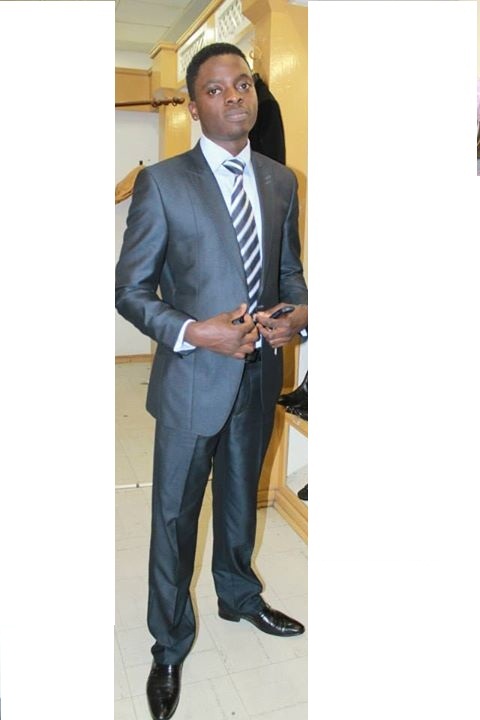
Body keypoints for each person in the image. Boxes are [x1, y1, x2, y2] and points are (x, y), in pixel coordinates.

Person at [115, 42, 308, 720]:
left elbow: (288, 273)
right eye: (216, 89)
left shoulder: (281, 181)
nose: (234, 97)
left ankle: (238, 596)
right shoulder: (164, 183)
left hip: (258, 377)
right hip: (192, 381)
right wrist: (196, 332)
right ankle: (169, 644)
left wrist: (299, 316)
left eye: (242, 85)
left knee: (238, 503)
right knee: (174, 516)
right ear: (194, 106)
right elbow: (130, 291)